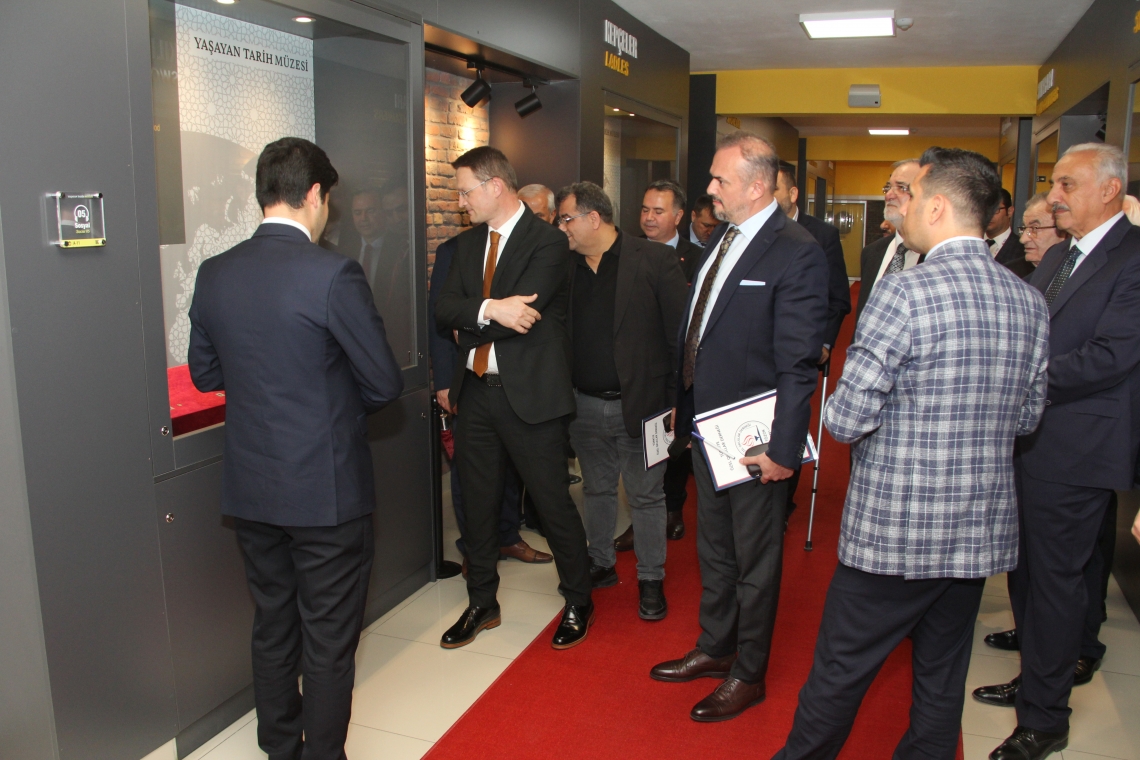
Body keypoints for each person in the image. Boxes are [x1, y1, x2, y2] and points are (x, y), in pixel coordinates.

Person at [772, 147, 1050, 760]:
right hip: (976, 529)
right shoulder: (1028, 299)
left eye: (914, 196)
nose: (904, 207)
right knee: (942, 678)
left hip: (896, 531)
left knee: (840, 672)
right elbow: (1028, 417)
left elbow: (846, 419)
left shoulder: (904, 292)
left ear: (940, 206)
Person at [188, 137, 405, 760]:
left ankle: (280, 749)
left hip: (253, 489)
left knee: (273, 624)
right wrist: (325, 408)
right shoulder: (333, 273)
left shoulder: (215, 272)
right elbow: (383, 383)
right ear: (314, 194)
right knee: (329, 639)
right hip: (326, 492)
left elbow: (206, 374)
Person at [650, 131, 828, 722]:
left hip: (755, 440)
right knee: (716, 549)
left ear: (756, 187)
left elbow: (797, 363)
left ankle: (749, 673)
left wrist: (783, 450)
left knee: (755, 561)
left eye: (719, 179)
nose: (709, 189)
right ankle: (716, 646)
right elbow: (698, 333)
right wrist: (681, 404)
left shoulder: (796, 251)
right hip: (707, 428)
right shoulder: (721, 239)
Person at [975, 143, 1140, 760]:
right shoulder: (1064, 255)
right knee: (1027, 574)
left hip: (1078, 449)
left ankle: (1044, 720)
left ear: (1109, 189)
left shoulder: (1132, 257)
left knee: (1054, 584)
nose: (1055, 196)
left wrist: (1017, 378)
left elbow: (1111, 356)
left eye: (1068, 184)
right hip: (1033, 439)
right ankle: (1035, 679)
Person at [435, 146, 594, 650]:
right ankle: (482, 601)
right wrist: (490, 309)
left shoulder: (548, 242)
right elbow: (443, 308)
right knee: (477, 505)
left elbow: (525, 314)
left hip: (531, 398)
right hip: (476, 395)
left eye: (466, 191)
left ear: (495, 186)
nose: (461, 202)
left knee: (551, 503)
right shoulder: (464, 246)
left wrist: (471, 322)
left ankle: (579, 598)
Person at [556, 181, 688, 620]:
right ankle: (601, 563)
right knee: (595, 490)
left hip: (646, 407)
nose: (562, 228)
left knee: (647, 496)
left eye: (567, 219)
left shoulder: (654, 260)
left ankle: (651, 579)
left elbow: (680, 337)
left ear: (594, 218)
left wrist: (679, 402)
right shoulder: (565, 267)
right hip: (583, 406)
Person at [428, 235, 553, 574]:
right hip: (467, 379)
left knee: (510, 464)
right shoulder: (454, 250)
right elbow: (439, 318)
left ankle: (507, 536)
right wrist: (444, 382)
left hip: (511, 379)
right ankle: (475, 547)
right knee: (469, 470)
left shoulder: (520, 245)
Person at [614, 179, 699, 553]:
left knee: (674, 443)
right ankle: (641, 518)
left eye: (658, 211)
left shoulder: (697, 258)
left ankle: (673, 509)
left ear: (678, 216)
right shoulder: (625, 252)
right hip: (637, 368)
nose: (649, 217)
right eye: (645, 209)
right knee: (643, 451)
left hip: (678, 367)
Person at [772, 164, 852, 521]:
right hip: (761, 348)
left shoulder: (822, 234)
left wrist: (824, 343)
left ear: (792, 194)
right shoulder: (752, 231)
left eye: (774, 189)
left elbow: (838, 298)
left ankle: (783, 499)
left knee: (789, 418)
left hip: (801, 347)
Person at [340, 186, 413, 366]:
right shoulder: (343, 250)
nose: (363, 218)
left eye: (370, 211)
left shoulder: (402, 249)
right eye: (357, 213)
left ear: (382, 212)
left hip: (392, 344)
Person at [855, 160, 923, 324]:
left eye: (901, 187)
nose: (889, 195)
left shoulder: (939, 256)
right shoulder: (871, 253)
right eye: (888, 187)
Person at [988, 188, 1026, 268]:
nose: (988, 215)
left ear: (1009, 211)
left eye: (995, 210)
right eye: (983, 210)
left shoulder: (1022, 250)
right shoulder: (971, 245)